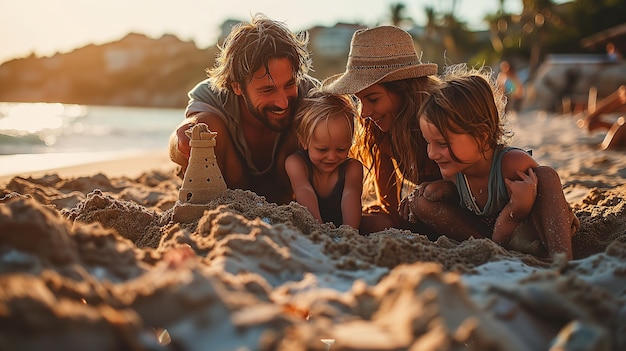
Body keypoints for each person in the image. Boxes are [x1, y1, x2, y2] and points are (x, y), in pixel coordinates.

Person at [399, 65, 580, 260]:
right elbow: (462, 201)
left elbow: (539, 203)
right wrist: (443, 189)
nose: (432, 154)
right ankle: (486, 245)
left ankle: (560, 257)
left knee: (546, 175)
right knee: (421, 202)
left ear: (482, 136)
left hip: (533, 232)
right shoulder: (454, 171)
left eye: (442, 143)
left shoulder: (512, 164)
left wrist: (515, 210)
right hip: (494, 233)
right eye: (429, 143)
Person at [168, 14, 319, 205]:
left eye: (290, 84)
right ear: (236, 86)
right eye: (267, 90)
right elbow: (178, 144)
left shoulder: (310, 93)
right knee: (204, 124)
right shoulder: (213, 94)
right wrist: (183, 139)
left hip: (290, 194)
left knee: (316, 119)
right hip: (228, 195)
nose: (283, 102)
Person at [321, 25, 442, 235]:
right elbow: (390, 206)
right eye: (359, 100)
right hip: (425, 214)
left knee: (422, 205)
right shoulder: (379, 129)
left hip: (468, 207)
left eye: (373, 99)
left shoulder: (441, 117)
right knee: (371, 221)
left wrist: (440, 190)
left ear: (404, 90)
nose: (365, 112)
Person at [286, 90, 363, 229]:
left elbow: (351, 197)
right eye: (322, 150)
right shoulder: (296, 163)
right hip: (311, 225)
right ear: (304, 141)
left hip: (344, 224)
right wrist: (319, 230)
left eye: (341, 149)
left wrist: (349, 232)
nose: (332, 157)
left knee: (383, 223)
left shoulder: (352, 168)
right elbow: (304, 190)